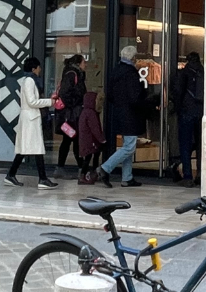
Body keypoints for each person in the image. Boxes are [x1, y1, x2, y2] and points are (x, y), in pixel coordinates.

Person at [4, 57, 59, 189]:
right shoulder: (29, 81)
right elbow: (32, 102)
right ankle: (42, 179)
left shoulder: (29, 80)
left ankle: (11, 175)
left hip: (29, 118)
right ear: (34, 68)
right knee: (36, 148)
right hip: (30, 118)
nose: (40, 70)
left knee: (26, 148)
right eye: (39, 67)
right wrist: (49, 102)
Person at [96, 45, 144, 188]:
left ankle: (127, 177)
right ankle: (105, 168)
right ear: (133, 58)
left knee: (127, 145)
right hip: (130, 114)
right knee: (129, 147)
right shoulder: (131, 73)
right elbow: (135, 97)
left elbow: (109, 94)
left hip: (118, 112)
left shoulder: (115, 71)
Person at [171, 52, 205, 187]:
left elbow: (178, 92)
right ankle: (201, 175)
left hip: (187, 112)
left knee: (185, 144)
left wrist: (177, 108)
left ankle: (188, 176)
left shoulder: (184, 73)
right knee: (200, 145)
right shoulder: (204, 72)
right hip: (201, 111)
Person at [54, 55, 87, 174]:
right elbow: (65, 93)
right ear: (78, 63)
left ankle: (61, 167)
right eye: (84, 62)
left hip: (72, 114)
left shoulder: (74, 74)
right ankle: (81, 169)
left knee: (69, 140)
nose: (86, 64)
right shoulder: (72, 74)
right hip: (71, 114)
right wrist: (75, 104)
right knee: (75, 139)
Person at [76, 90, 104, 185]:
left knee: (89, 156)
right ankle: (84, 176)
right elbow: (95, 128)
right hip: (90, 140)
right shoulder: (91, 113)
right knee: (89, 158)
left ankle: (89, 175)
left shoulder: (85, 112)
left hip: (85, 139)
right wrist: (101, 139)